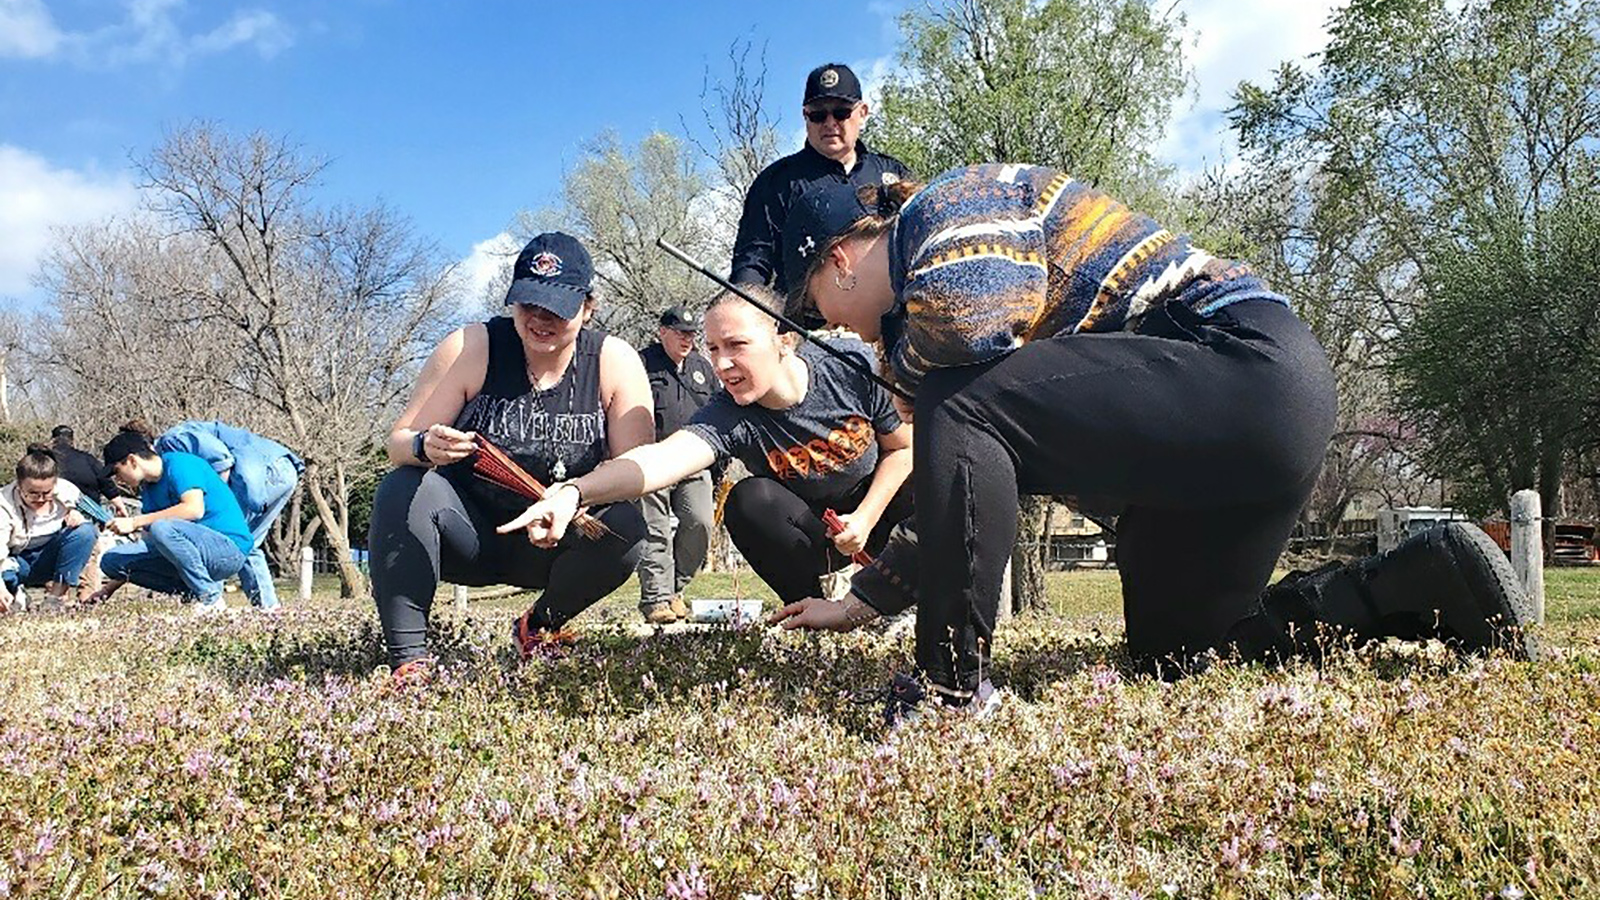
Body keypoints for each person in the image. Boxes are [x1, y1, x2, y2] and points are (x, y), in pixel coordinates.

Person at [770, 167, 1535, 721]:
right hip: (1232, 439)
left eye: (820, 309)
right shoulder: (928, 298)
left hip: (1241, 365)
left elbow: (975, 328)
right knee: (1180, 653)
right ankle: (1426, 579)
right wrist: (864, 604)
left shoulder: (944, 211)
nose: (836, 330)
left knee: (955, 400)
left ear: (840, 260)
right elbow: (965, 473)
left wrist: (899, 368)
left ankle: (945, 688)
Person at [500, 285, 919, 618]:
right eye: (713, 348)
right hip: (811, 531)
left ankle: (907, 593)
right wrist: (575, 491)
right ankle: (809, 610)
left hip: (878, 510)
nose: (720, 364)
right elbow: (661, 459)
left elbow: (903, 448)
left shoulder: (846, 366)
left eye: (736, 345)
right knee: (749, 500)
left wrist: (865, 517)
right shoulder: (729, 412)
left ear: (785, 340)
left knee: (932, 477)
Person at [368, 232, 651, 679]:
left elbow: (637, 471)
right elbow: (398, 443)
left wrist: (573, 500)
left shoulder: (614, 361)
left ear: (588, 306)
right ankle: (410, 661)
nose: (541, 319)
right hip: (472, 533)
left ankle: (538, 627)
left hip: (561, 541)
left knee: (629, 525)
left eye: (558, 308)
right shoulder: (472, 346)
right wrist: (426, 446)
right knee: (403, 485)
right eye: (528, 304)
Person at [729, 62, 910, 292]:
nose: (829, 123)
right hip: (803, 323)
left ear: (862, 113)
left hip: (887, 318)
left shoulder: (893, 174)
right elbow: (752, 264)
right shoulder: (776, 183)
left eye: (841, 112)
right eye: (818, 115)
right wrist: (745, 319)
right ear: (805, 116)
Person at [93, 430, 253, 612]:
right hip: (191, 553)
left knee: (161, 527)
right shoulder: (148, 490)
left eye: (116, 471)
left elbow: (193, 509)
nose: (117, 479)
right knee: (111, 560)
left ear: (132, 460)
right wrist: (107, 590)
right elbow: (151, 545)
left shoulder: (181, 464)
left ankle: (211, 599)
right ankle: (192, 594)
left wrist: (135, 522)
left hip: (228, 550)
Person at [155, 421, 303, 611]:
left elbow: (221, 459)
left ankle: (212, 602)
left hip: (263, 473)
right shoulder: (179, 440)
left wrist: (219, 500)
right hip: (284, 470)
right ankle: (268, 610)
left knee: (222, 535)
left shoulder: (172, 441)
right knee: (249, 540)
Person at [636, 304, 718, 623]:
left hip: (693, 457)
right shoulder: (641, 363)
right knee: (654, 529)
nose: (687, 340)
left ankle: (675, 589)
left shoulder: (702, 366)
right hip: (653, 458)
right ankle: (656, 600)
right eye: (680, 333)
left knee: (700, 523)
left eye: (691, 334)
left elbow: (716, 408)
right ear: (663, 333)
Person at [0, 445, 97, 611]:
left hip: (51, 557)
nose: (40, 499)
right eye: (32, 493)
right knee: (7, 574)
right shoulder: (4, 503)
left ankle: (56, 598)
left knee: (85, 531)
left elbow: (99, 517)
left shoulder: (68, 492)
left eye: (46, 493)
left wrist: (75, 512)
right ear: (18, 485)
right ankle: (15, 595)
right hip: (17, 560)